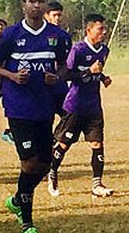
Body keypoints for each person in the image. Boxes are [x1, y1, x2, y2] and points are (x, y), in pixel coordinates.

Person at [0, 0, 69, 233]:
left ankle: (16, 200)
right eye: (32, 1)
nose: (37, 5)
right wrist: (13, 76)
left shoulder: (57, 36)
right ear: (23, 5)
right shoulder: (11, 34)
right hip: (18, 107)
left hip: (44, 106)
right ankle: (27, 224)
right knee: (29, 162)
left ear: (46, 5)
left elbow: (63, 68)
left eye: (41, 1)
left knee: (45, 164)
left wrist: (55, 78)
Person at [49, 14, 114, 198]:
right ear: (89, 30)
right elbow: (66, 75)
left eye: (104, 28)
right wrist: (89, 71)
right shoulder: (78, 49)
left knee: (97, 144)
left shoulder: (104, 50)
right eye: (100, 29)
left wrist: (102, 78)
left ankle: (97, 184)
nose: (104, 32)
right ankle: (52, 172)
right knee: (64, 143)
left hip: (93, 105)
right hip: (75, 105)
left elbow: (97, 69)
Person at [45, 1, 74, 121]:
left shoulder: (64, 36)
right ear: (46, 15)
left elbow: (68, 60)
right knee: (45, 117)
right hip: (44, 83)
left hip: (60, 83)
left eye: (59, 15)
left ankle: (59, 137)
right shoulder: (41, 34)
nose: (57, 18)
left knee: (68, 115)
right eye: (54, 15)